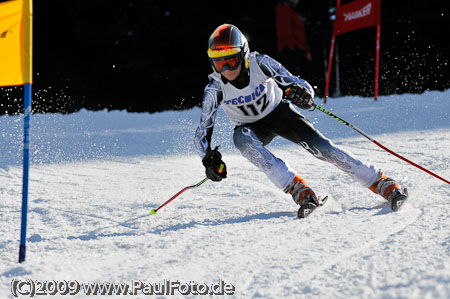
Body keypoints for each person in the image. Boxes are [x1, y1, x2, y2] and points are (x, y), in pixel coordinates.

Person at [194, 24, 407, 216]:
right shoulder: (214, 88)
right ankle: (299, 189)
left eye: (231, 61)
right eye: (219, 64)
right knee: (241, 140)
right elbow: (203, 130)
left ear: (243, 55)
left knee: (322, 148)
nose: (227, 70)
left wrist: (302, 95)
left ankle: (381, 182)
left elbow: (298, 83)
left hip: (280, 114)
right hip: (250, 128)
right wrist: (208, 159)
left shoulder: (261, 63)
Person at [275, 0, 312, 80]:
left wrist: (306, 50)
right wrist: (292, 45)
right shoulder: (284, 8)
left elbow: (301, 32)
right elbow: (284, 29)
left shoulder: (294, 10)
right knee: (293, 77)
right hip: (291, 49)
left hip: (298, 48)